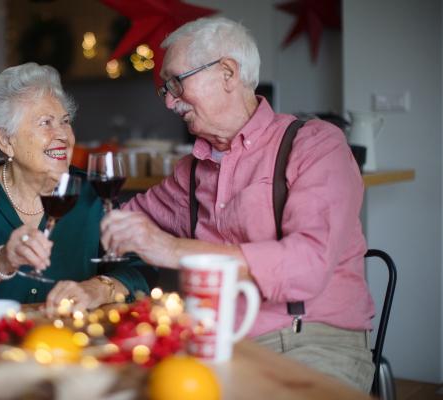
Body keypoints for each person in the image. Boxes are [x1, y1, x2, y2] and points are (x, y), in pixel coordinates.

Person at [100, 17, 376, 393]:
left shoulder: (314, 145)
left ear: (228, 73)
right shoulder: (191, 172)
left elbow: (307, 265)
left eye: (177, 82)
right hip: (214, 344)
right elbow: (117, 221)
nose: (169, 100)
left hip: (311, 342)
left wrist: (171, 249)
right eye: (165, 88)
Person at [0, 63, 156, 311]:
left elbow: (141, 269)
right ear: (6, 140)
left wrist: (96, 288)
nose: (63, 135)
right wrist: (0, 262)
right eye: (46, 123)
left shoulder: (92, 191)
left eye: (65, 122)